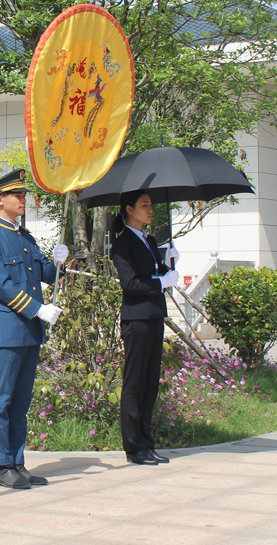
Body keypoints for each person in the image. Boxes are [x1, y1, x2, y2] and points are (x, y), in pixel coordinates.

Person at [0, 169, 69, 489]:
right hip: (7, 330)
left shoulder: (25, 237)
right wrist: (38, 309)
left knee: (20, 403)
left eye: (24, 194)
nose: (23, 199)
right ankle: (2, 465)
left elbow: (44, 274)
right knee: (1, 400)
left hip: (29, 331)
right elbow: (1, 286)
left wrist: (58, 263)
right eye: (17, 194)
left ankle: (17, 462)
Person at [111, 189, 179, 466]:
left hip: (154, 316)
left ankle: (147, 444)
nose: (150, 210)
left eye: (150, 205)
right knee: (135, 383)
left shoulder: (149, 240)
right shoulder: (122, 244)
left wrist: (169, 264)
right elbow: (131, 284)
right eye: (144, 205)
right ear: (129, 209)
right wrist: (162, 282)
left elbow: (156, 273)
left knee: (150, 383)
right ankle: (133, 447)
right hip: (137, 320)